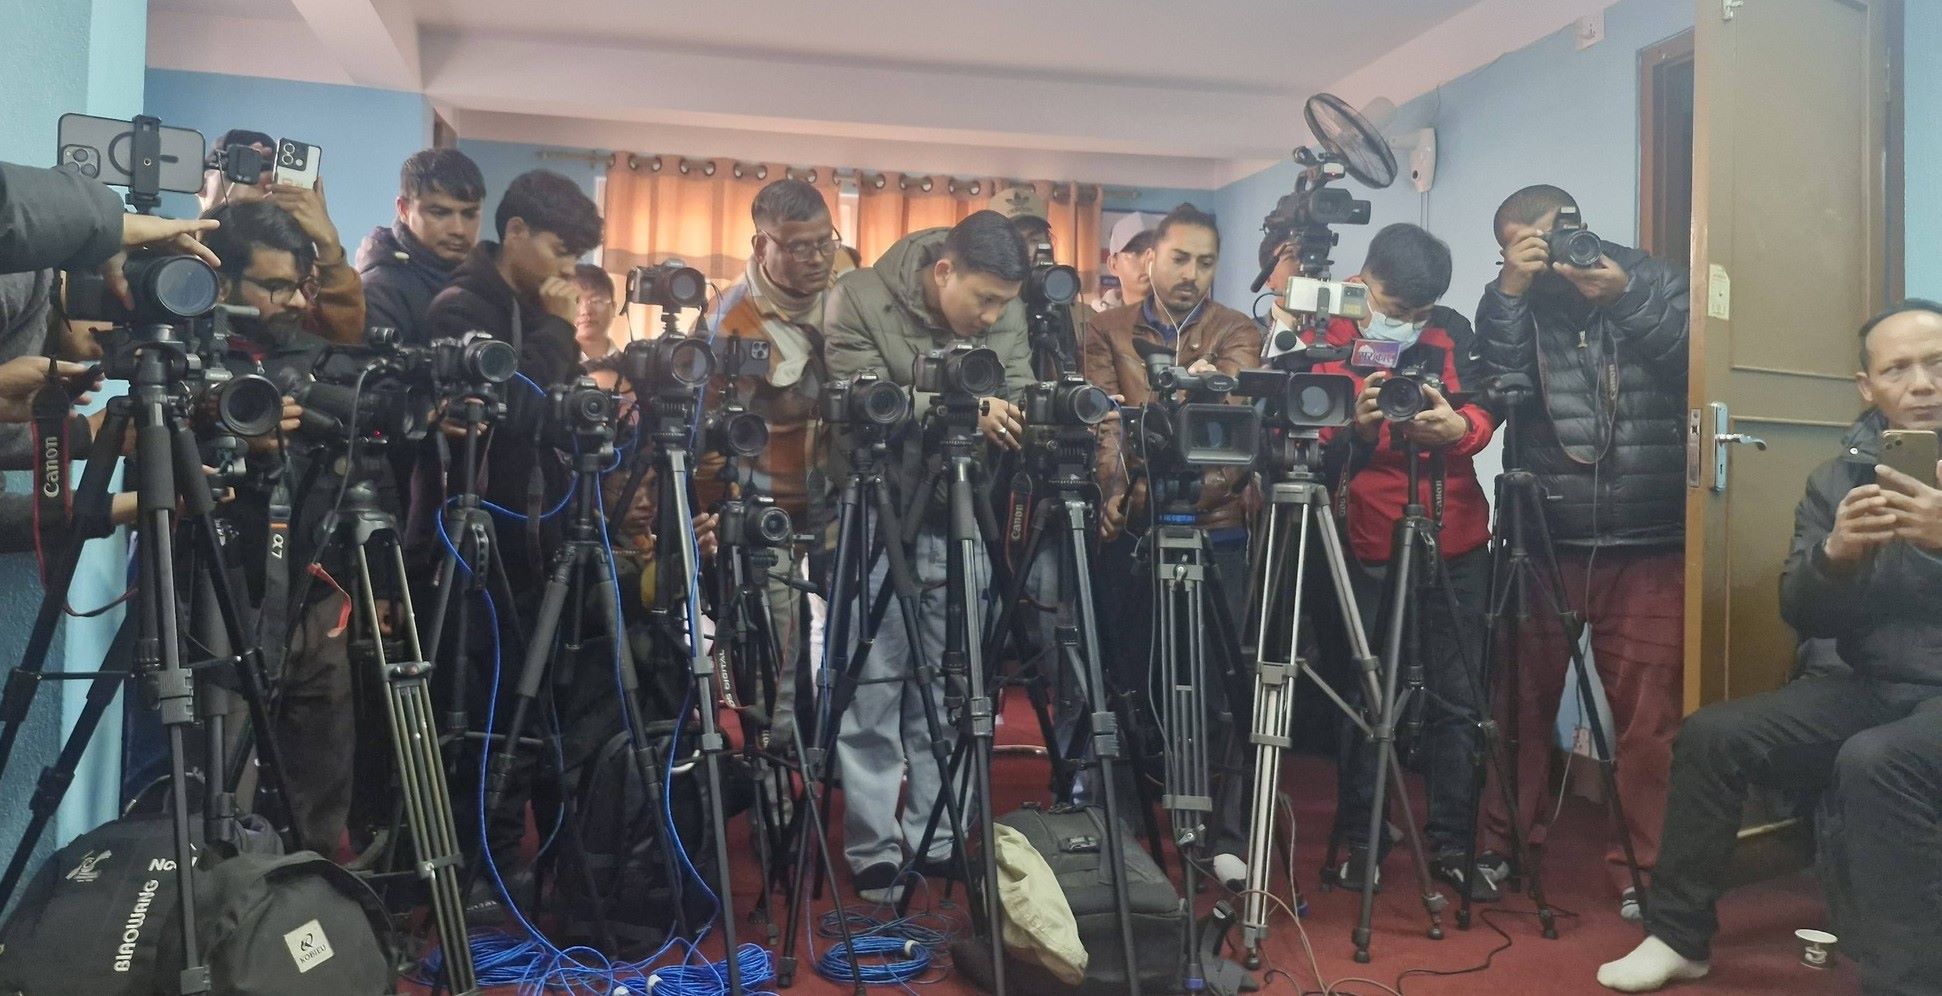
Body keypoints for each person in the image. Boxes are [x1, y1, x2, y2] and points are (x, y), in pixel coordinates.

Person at [1598, 301, 1942, 995]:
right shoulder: (1838, 479)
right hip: (1872, 682)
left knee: (1876, 760)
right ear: (1867, 387)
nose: (1922, 384)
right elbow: (1800, 610)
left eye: (1937, 364)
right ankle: (1677, 937)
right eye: (1898, 369)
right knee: (1713, 734)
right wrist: (1835, 559)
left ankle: (1906, 982)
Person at [1473, 184, 1690, 916]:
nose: (1555, 247)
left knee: (1649, 720)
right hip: (1544, 535)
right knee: (1518, 703)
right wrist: (1512, 290)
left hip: (1650, 536)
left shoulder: (1652, 277)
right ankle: (1501, 846)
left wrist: (1623, 295)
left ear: (1580, 221)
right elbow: (1500, 382)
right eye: (1525, 243)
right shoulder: (1514, 300)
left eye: (1560, 229)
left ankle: (1645, 874)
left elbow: (1695, 360)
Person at [822, 209, 1034, 902]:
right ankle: (873, 847)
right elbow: (861, 402)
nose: (994, 316)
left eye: (1004, 304)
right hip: (882, 511)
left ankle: (937, 835)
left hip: (967, 507)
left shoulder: (1007, 306)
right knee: (875, 686)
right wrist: (959, 409)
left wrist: (993, 411)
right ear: (944, 271)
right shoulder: (858, 297)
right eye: (984, 300)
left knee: (954, 685)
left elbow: (1019, 394)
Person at [1304, 223, 1502, 899]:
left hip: (1457, 532)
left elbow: (1485, 403)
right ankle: (1363, 838)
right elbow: (1311, 443)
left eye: (1421, 312)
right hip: (1368, 535)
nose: (1409, 322)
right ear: (1364, 281)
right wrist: (1358, 431)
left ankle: (1454, 843)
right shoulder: (1325, 331)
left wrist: (1463, 429)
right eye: (1397, 308)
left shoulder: (1451, 331)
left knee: (1459, 696)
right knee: (1369, 695)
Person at [420, 168, 603, 874]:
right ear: (516, 231)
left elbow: (553, 417)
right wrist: (558, 330)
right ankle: (480, 866)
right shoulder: (460, 308)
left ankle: (541, 858)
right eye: (560, 252)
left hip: (538, 540)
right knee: (489, 713)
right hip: (479, 549)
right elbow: (517, 407)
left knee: (542, 708)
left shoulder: (526, 306)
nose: (568, 272)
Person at [1083, 201, 1262, 885]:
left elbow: (1228, 428)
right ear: (1150, 258)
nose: (1191, 274)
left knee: (1222, 687)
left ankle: (1225, 834)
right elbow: (1107, 425)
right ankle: (1126, 826)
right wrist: (1122, 491)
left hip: (1217, 528)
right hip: (1131, 527)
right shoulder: (1107, 330)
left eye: (1205, 262)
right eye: (1180, 258)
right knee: (1128, 676)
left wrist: (1153, 481)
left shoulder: (1237, 328)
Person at [199, 200, 347, 855]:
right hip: (217, 591)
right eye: (275, 286)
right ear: (223, 283)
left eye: (299, 286)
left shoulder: (319, 359)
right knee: (220, 787)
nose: (294, 302)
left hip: (315, 593)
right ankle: (222, 898)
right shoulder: (188, 361)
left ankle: (313, 892)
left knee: (321, 777)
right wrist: (231, 437)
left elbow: (361, 461)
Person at [700, 178, 840, 743]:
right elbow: (708, 439)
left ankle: (834, 747)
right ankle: (776, 761)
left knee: (856, 631)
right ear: (762, 246)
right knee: (777, 645)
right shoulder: (731, 322)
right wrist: (719, 522)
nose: (818, 258)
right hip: (763, 509)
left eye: (825, 242)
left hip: (836, 500)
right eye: (799, 246)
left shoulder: (846, 294)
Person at [195, 128, 364, 344]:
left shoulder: (301, 272)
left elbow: (342, 342)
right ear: (202, 184)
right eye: (243, 171)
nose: (263, 188)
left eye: (271, 177)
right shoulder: (171, 247)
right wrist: (220, 219)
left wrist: (328, 244)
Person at [355, 148, 486, 343]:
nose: (458, 229)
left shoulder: (485, 282)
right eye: (440, 213)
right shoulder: (380, 290)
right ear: (404, 210)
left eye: (469, 214)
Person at [1094, 213, 1154, 312]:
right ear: (1113, 265)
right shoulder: (1095, 319)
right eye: (1136, 251)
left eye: (1155, 250)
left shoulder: (1179, 318)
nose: (1147, 259)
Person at [572, 263, 617, 360]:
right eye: (576, 301)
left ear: (613, 308)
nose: (586, 311)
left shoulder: (630, 365)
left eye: (596, 301)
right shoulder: (551, 364)